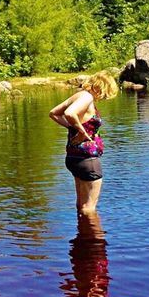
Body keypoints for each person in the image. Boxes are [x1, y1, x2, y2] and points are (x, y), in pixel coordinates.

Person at [49, 72, 118, 214]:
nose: (104, 97)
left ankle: (82, 235)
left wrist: (72, 127)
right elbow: (69, 113)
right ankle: (94, 236)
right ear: (102, 87)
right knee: (89, 208)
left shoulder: (78, 95)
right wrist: (82, 132)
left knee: (81, 206)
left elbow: (54, 113)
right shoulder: (87, 97)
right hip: (88, 159)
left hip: (74, 158)